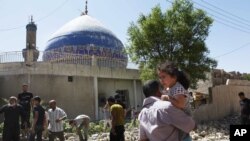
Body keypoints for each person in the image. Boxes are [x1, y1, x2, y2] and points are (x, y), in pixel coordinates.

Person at [157, 61, 192, 141]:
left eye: (164, 77)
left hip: (183, 121)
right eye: (160, 77)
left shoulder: (177, 88)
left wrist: (168, 98)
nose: (161, 80)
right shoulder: (171, 88)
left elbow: (181, 104)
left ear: (174, 77)